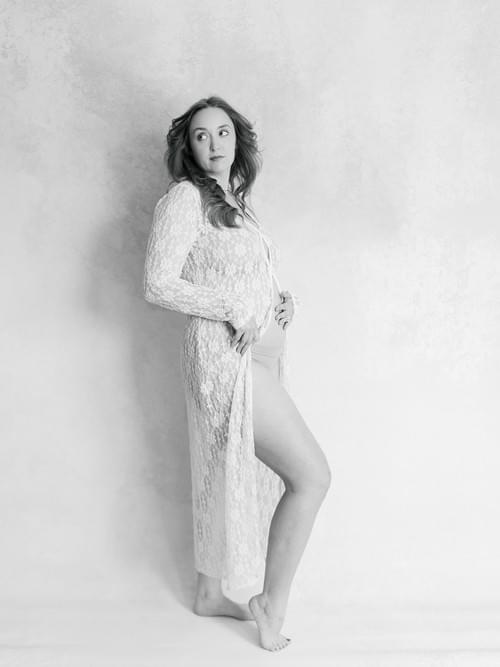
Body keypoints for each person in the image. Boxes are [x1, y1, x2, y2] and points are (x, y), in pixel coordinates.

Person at [143, 95, 331, 652]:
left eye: (222, 132)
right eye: (201, 135)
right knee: (312, 477)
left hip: (259, 355)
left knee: (222, 471)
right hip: (225, 358)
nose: (213, 144)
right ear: (188, 147)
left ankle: (209, 593)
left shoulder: (235, 202)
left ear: (237, 139)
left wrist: (280, 301)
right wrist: (232, 307)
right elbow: (157, 282)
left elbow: (241, 275)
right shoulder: (184, 199)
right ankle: (269, 603)